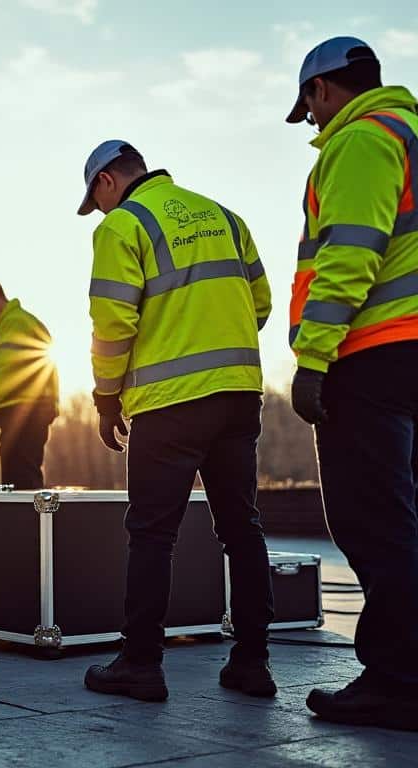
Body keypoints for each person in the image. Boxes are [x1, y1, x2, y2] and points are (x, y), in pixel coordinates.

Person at [76, 140, 274, 703]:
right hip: (238, 393)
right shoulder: (224, 216)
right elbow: (257, 302)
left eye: (97, 198)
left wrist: (106, 396)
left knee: (151, 535)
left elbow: (113, 323)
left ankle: (140, 664)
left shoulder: (123, 227)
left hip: (169, 403)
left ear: (108, 181)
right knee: (242, 527)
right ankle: (253, 663)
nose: (100, 211)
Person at [283, 37, 418, 730]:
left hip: (373, 353)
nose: (311, 123)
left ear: (324, 91)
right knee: (405, 517)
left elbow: (351, 252)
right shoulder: (411, 132)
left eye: (308, 107)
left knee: (373, 522)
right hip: (409, 351)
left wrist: (314, 356)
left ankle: (397, 681)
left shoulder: (362, 139)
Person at [0, 278, 60, 489]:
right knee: (20, 479)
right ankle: (28, 522)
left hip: (25, 414)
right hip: (26, 412)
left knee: (20, 480)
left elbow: (3, 371)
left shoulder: (15, 323)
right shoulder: (12, 324)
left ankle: (29, 522)